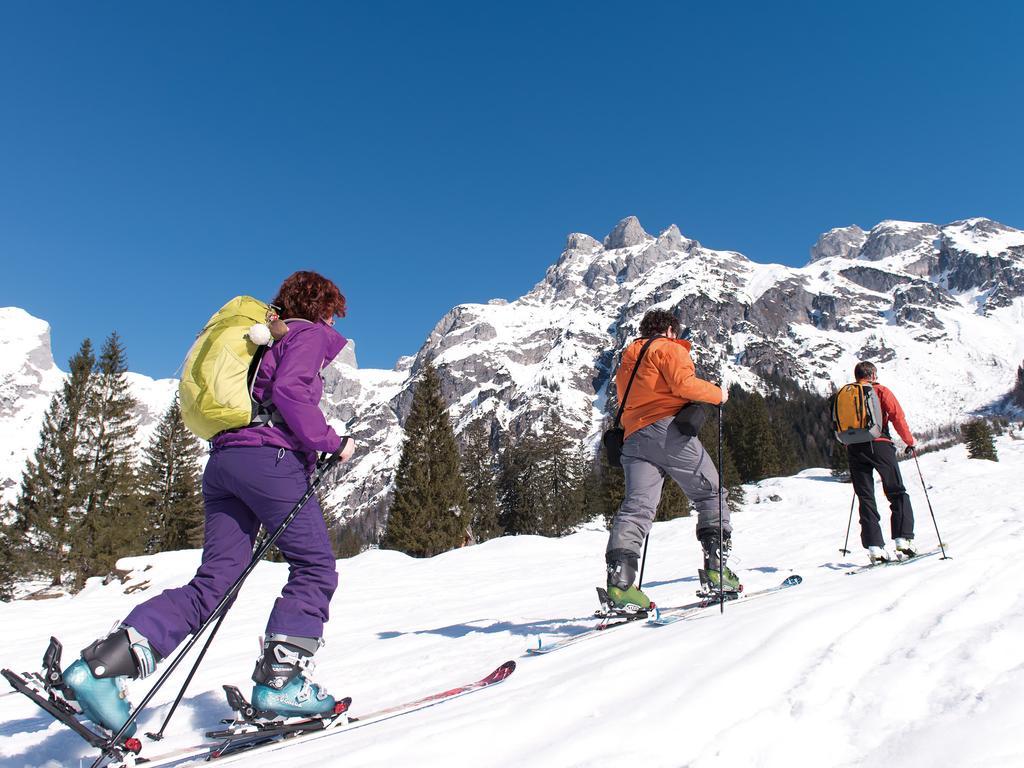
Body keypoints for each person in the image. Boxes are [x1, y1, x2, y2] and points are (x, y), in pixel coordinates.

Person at [61, 271, 356, 736]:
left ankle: (103, 668)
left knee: (215, 581)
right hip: (271, 461)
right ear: (323, 306)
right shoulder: (309, 334)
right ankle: (282, 682)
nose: (336, 318)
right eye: (335, 309)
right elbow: (290, 393)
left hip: (223, 462)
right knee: (315, 565)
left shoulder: (264, 338)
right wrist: (330, 441)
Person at [604, 309, 732, 613]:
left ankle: (620, 585)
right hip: (668, 432)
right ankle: (717, 571)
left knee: (636, 508)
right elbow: (683, 385)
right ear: (671, 331)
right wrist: (718, 394)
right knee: (711, 493)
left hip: (634, 439)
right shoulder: (669, 348)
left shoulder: (628, 358)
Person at [846, 361, 917, 563]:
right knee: (896, 492)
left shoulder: (847, 395)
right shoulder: (880, 391)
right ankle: (903, 541)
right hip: (880, 445)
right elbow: (896, 416)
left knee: (865, 497)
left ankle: (874, 548)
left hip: (854, 448)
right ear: (873, 375)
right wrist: (909, 441)